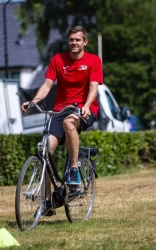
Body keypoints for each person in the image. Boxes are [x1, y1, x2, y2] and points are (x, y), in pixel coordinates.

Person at [21, 25, 103, 216]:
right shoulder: (58, 59)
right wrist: (33, 101)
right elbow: (47, 85)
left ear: (85, 42)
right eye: (71, 39)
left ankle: (74, 168)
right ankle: (47, 201)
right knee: (44, 150)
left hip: (84, 109)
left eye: (78, 40)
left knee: (69, 123)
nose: (74, 43)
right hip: (59, 110)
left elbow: (93, 88)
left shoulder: (93, 60)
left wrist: (86, 105)